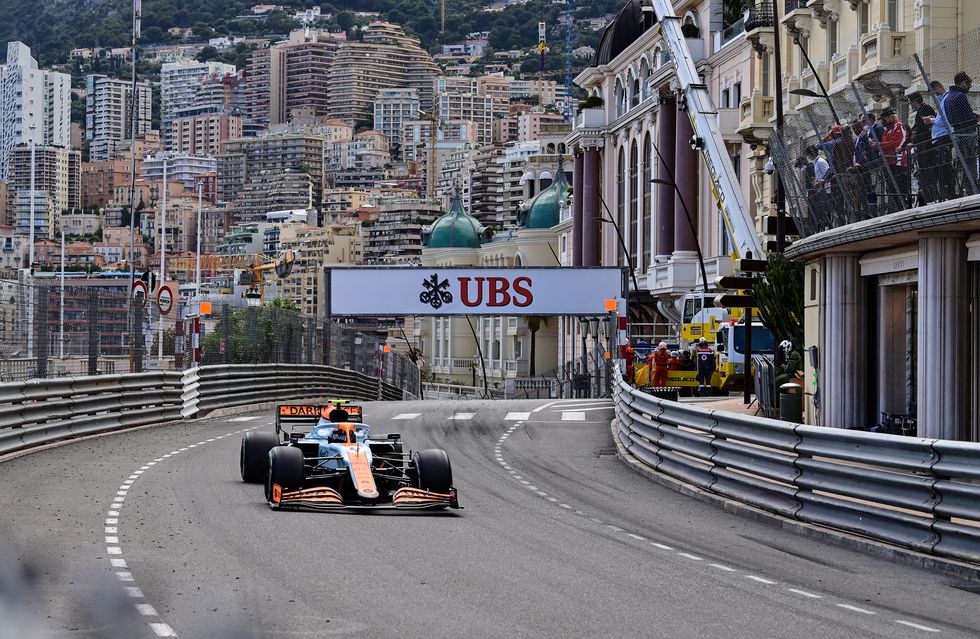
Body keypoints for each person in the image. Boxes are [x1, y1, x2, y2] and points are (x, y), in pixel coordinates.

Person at [906, 92, 937, 204]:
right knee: (923, 173)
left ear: (915, 101)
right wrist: (907, 142)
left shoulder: (926, 109)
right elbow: (915, 128)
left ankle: (932, 196)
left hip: (927, 145)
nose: (911, 105)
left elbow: (922, 129)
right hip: (922, 146)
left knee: (929, 172)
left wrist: (913, 142)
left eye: (911, 102)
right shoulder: (920, 111)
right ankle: (927, 196)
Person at [880, 107, 911, 202]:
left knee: (900, 184)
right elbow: (885, 142)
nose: (883, 121)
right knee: (892, 186)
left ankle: (905, 202)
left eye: (884, 118)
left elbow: (899, 141)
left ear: (889, 117)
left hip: (898, 160)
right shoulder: (887, 130)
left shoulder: (898, 126)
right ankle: (899, 203)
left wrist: (880, 145)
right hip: (888, 161)